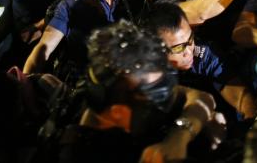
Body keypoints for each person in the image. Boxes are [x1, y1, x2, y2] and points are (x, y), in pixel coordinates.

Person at [39, 20, 219, 162]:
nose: (161, 101)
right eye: (154, 96)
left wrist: (179, 137)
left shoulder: (113, 90)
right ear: (117, 112)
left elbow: (200, 98)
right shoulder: (84, 153)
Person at [147, 3, 257, 119]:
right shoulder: (142, 75)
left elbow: (231, 85)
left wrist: (252, 115)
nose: (189, 52)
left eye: (190, 39)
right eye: (179, 48)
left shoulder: (200, 53)